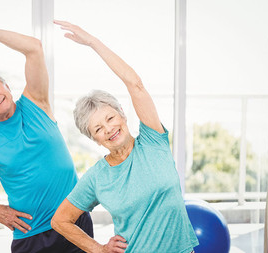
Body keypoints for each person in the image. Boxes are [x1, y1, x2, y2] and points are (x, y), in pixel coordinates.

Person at [0, 22, 93, 252]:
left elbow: (33, 47)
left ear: (6, 85)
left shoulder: (36, 102)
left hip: (75, 221)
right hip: (32, 234)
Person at [51, 21, 199, 253]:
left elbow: (135, 84)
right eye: (98, 129)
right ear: (94, 139)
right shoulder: (97, 177)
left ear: (122, 114)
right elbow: (60, 220)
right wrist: (98, 249)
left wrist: (92, 42)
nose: (108, 129)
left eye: (110, 118)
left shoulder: (153, 141)